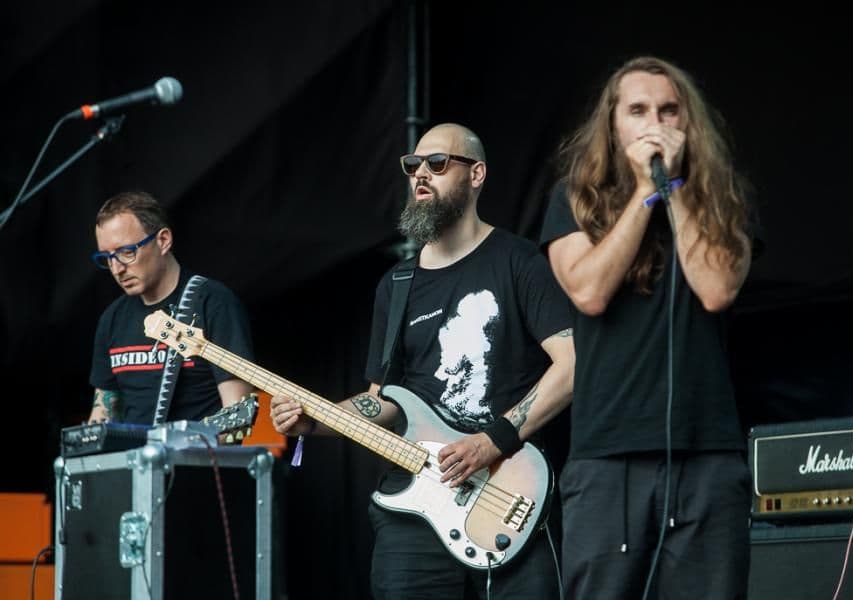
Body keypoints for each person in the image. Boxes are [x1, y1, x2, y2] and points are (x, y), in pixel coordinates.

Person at [270, 123, 575, 599]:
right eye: (413, 165)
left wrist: (491, 442)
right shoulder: (396, 286)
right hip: (416, 509)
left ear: (476, 175)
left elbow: (572, 364)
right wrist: (316, 420)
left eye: (437, 163)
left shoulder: (520, 261)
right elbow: (383, 402)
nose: (421, 175)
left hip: (508, 491)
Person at [540, 56, 758, 599]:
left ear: (688, 122)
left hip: (705, 454)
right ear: (613, 125)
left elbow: (716, 289)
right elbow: (588, 292)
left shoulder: (724, 198)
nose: (655, 123)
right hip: (606, 458)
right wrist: (645, 192)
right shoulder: (573, 198)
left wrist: (675, 189)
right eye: (638, 111)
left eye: (668, 110)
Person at [88, 191, 255, 425]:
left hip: (199, 449)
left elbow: (237, 414)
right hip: (133, 450)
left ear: (163, 240)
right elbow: (103, 413)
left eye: (127, 252)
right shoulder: (112, 318)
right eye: (107, 257)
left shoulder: (213, 303)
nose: (117, 269)